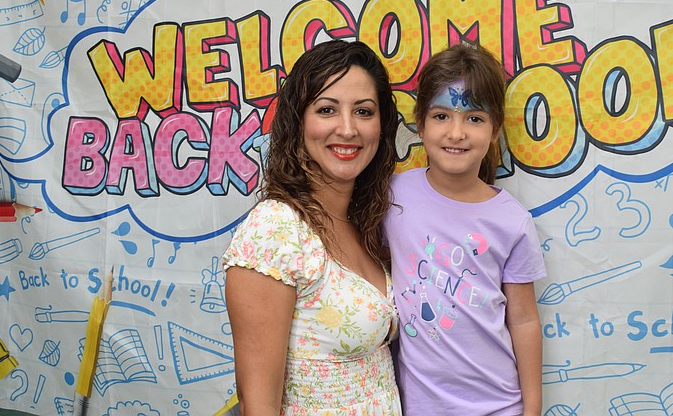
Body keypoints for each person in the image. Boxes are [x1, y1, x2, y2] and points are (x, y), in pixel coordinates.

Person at [222, 40, 401, 415]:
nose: (347, 129)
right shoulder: (276, 230)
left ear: (382, 126)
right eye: (327, 109)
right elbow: (258, 405)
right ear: (298, 121)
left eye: (363, 111)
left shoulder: (367, 223)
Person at [385, 44, 546, 415]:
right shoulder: (392, 198)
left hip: (499, 406)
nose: (456, 133)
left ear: (495, 130)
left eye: (474, 118)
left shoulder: (511, 220)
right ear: (420, 123)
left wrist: (533, 409)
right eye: (441, 116)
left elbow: (524, 319)